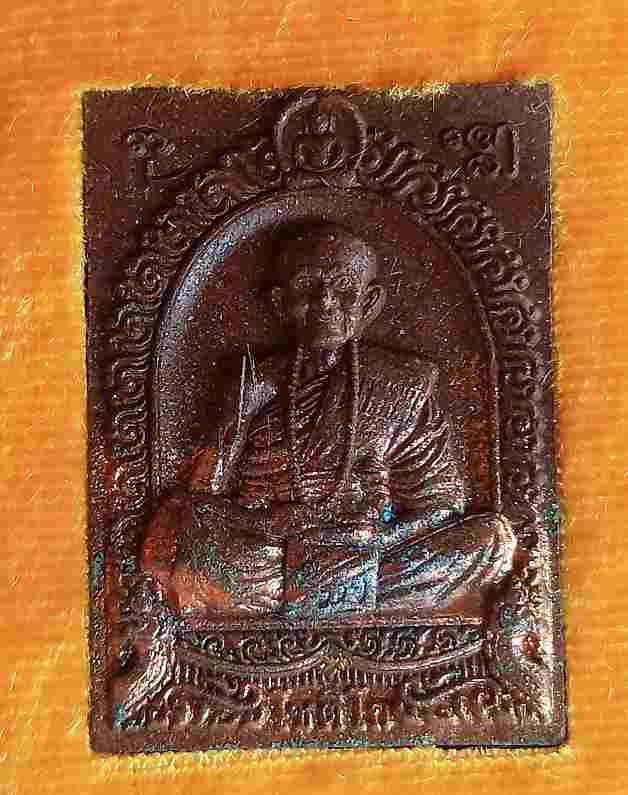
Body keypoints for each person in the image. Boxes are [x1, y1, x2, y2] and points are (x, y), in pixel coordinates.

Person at [140, 223, 516, 619]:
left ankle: (310, 595)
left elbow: (441, 506)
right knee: (182, 533)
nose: (326, 301)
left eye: (344, 287)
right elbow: (204, 497)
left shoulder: (403, 384)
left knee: (492, 540)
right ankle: (337, 595)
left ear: (369, 303)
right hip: (270, 550)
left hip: (372, 549)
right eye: (307, 286)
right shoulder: (254, 382)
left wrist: (375, 536)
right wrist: (239, 416)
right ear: (280, 303)